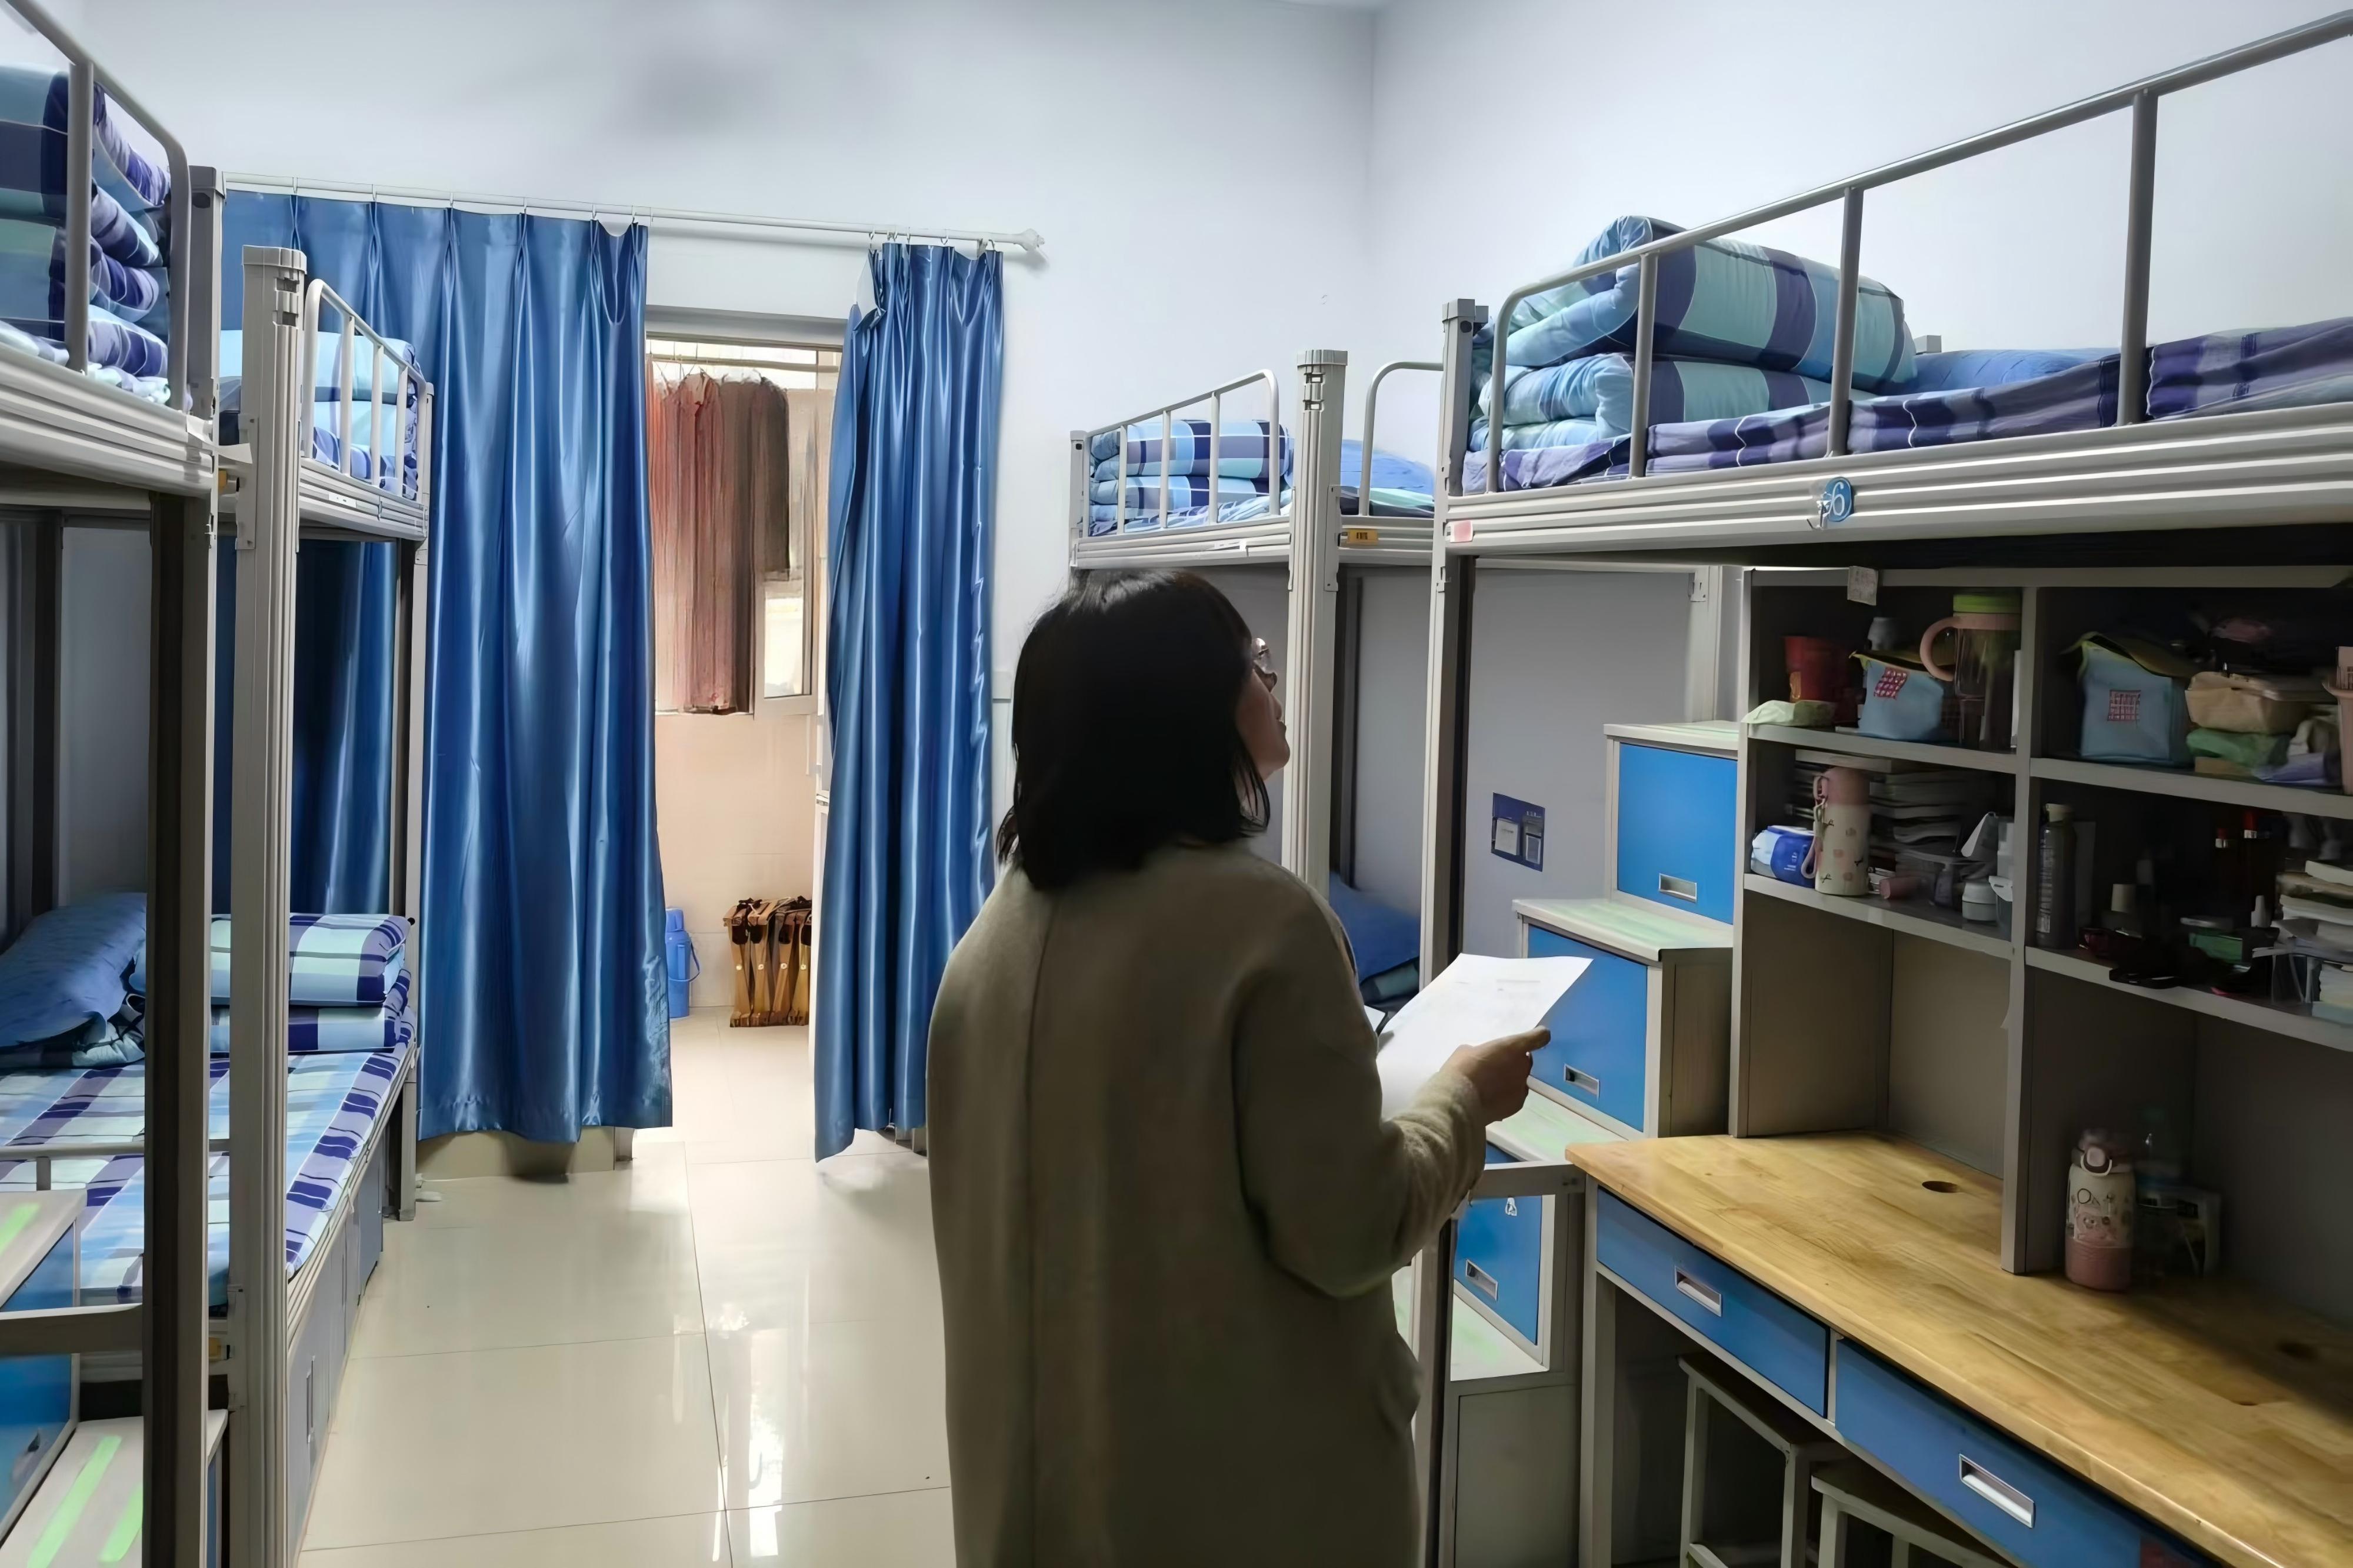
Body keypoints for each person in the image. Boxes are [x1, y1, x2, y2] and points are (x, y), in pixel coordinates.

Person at [928, 569, 1547, 1567]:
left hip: (1047, 1496)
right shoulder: (1268, 928)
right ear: (1185, 713)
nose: (1273, 677)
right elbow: (1351, 1228)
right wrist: (1465, 1102)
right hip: (1233, 1499)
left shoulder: (993, 940)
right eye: (1254, 662)